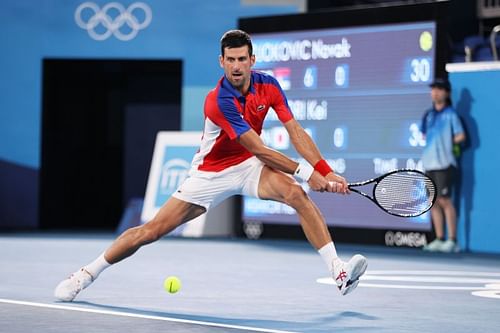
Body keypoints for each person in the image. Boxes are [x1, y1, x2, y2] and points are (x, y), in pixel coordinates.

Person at [54, 30, 367, 301]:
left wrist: (324, 171)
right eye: (229, 60)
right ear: (222, 62)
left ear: (252, 60)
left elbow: (295, 131)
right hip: (210, 175)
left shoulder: (269, 87)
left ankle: (339, 274)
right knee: (150, 232)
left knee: (297, 195)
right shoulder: (219, 100)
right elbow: (258, 147)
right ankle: (86, 274)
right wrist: (307, 172)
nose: (235, 66)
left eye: (241, 59)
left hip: (248, 166)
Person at [421, 78, 466, 253]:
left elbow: (460, 136)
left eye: (439, 89)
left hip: (445, 163)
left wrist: (448, 143)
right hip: (429, 163)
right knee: (432, 202)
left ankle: (452, 240)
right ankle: (439, 238)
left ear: (446, 93)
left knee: (444, 200)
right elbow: (425, 136)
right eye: (433, 89)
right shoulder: (428, 115)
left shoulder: (451, 114)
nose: (435, 92)